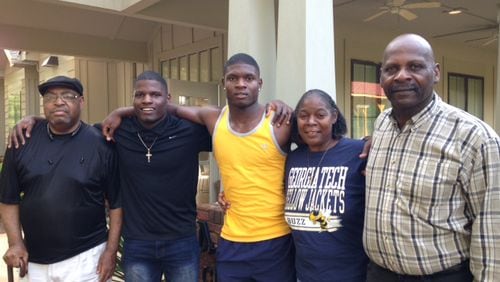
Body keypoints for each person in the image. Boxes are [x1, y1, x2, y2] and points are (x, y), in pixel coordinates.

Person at [102, 53, 296, 281]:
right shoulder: (214, 119)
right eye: (233, 78)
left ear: (259, 83)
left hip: (272, 239)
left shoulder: (279, 123)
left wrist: (281, 103)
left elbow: (313, 147)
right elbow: (167, 107)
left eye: (249, 78)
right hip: (229, 240)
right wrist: (119, 112)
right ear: (224, 83)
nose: (241, 84)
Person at [7, 71, 212, 282]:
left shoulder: (189, 131)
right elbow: (70, 123)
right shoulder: (117, 131)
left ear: (168, 99)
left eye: (155, 95)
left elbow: (224, 124)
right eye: (140, 95)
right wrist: (36, 120)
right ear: (133, 99)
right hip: (137, 241)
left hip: (181, 240)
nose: (147, 99)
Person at [363, 33, 500, 281]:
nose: (402, 75)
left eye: (415, 66)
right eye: (391, 68)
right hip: (378, 273)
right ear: (381, 77)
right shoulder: (382, 123)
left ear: (435, 73)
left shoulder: (474, 138)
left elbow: (492, 228)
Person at [0, 76, 122, 282]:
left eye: (68, 96)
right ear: (44, 104)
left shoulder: (101, 144)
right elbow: (8, 199)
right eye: (50, 97)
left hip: (87, 259)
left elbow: (117, 204)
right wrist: (16, 243)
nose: (58, 102)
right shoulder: (21, 141)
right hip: (34, 261)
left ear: (81, 101)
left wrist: (110, 252)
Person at [284, 89, 368, 282]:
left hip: (351, 275)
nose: (311, 122)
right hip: (304, 276)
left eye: (320, 115)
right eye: (303, 116)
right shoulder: (292, 159)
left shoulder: (359, 153)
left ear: (334, 116)